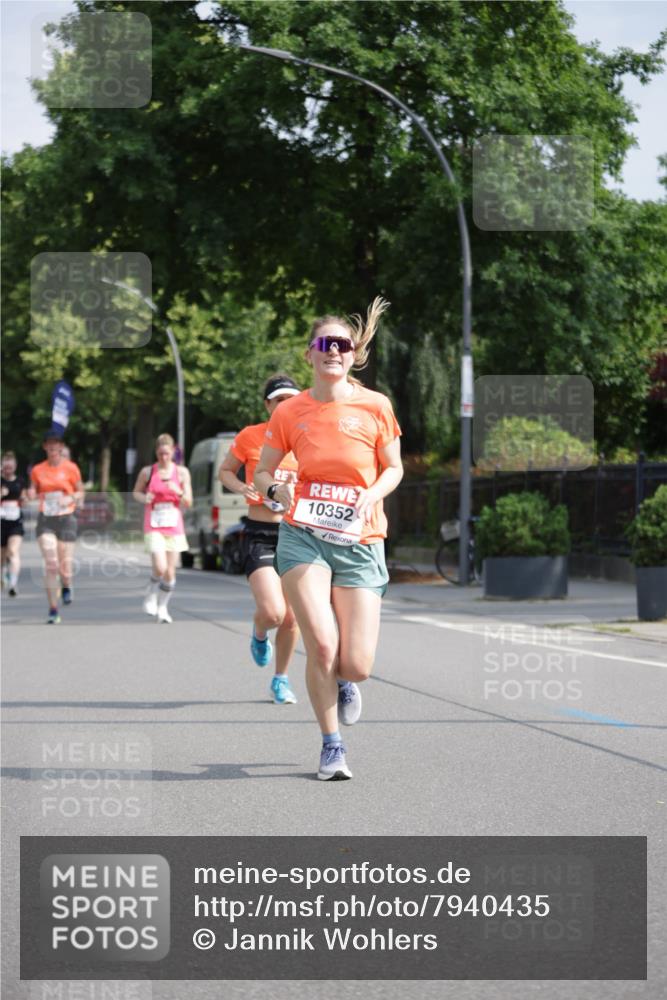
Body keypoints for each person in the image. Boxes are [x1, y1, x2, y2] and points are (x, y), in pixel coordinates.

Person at [254, 298, 403, 780]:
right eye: (325, 344)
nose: (333, 351)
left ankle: (345, 682)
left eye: (342, 344)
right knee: (321, 645)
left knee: (355, 664)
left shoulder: (376, 406)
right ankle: (331, 745)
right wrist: (275, 488)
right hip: (304, 537)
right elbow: (262, 472)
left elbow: (394, 468)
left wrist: (371, 494)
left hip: (361, 538)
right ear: (310, 354)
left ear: (353, 353)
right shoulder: (291, 412)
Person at [218, 375, 302, 705]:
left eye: (291, 399)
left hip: (296, 534)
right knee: (272, 611)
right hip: (260, 534)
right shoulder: (251, 436)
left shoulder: (307, 438)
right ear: (268, 405)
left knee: (292, 617)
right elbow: (226, 471)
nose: (285, 405)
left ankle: (280, 680)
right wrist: (241, 487)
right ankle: (259, 630)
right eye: (279, 400)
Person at [132, 433, 192, 624]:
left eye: (167, 454)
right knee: (160, 566)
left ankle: (163, 607)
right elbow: (136, 493)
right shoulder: (148, 472)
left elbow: (189, 502)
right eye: (160, 454)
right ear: (156, 453)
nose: (164, 458)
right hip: (154, 524)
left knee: (170, 572)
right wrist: (145, 498)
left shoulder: (182, 473)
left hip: (174, 525)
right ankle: (150, 593)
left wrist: (179, 491)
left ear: (173, 451)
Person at [29, 433, 85, 624]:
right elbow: (33, 490)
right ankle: (53, 609)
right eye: (49, 444)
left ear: (61, 446)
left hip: (66, 518)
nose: (52, 447)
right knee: (51, 564)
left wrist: (71, 498)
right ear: (45, 447)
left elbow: (80, 491)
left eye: (56, 444)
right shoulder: (38, 470)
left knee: (65, 567)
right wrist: (30, 493)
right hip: (46, 519)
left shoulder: (71, 468)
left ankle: (67, 584)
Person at [1, 451, 28, 597]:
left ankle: (13, 583)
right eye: (5, 468)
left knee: (13, 551)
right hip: (1, 521)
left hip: (15, 521)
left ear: (15, 467)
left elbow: (24, 498)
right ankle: (3, 573)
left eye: (10, 467)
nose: (7, 470)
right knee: (2, 556)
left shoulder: (20, 481)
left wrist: (24, 500)